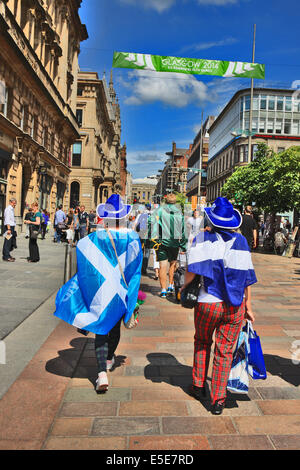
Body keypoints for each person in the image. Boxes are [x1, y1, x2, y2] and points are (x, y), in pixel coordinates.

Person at [54, 194, 143, 393]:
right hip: (120, 293)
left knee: (101, 329)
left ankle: (101, 373)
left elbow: (85, 268)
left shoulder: (92, 239)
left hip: (101, 293)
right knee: (114, 328)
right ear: (124, 216)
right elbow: (135, 271)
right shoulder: (133, 238)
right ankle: (110, 358)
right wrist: (132, 298)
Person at [181, 197, 257, 415]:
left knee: (202, 342)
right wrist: (248, 305)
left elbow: (192, 269)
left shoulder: (203, 238)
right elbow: (247, 277)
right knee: (225, 352)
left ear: (212, 220)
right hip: (235, 306)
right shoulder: (241, 242)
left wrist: (184, 288)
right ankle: (218, 400)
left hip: (207, 302)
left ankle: (198, 385)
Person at [150, 193, 187, 298]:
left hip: (161, 242)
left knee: (162, 266)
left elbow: (151, 222)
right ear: (175, 202)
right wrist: (183, 245)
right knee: (172, 265)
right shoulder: (179, 213)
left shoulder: (159, 210)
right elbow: (184, 232)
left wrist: (154, 238)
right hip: (174, 243)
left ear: (166, 201)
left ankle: (163, 290)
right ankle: (171, 285)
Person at [2, 197, 17, 262]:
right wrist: (9, 229)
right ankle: (6, 256)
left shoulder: (11, 209)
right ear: (10, 202)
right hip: (9, 228)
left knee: (10, 242)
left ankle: (7, 254)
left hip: (11, 227)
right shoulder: (8, 209)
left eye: (15, 203)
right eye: (14, 203)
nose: (15, 205)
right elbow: (7, 220)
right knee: (7, 242)